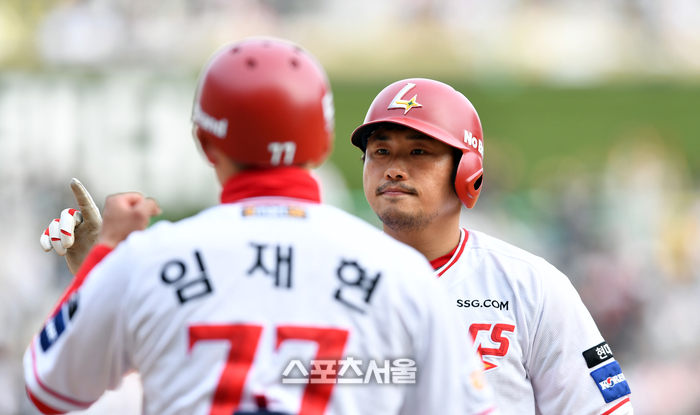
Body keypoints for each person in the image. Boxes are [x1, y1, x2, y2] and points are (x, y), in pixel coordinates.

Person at [25, 39, 498, 415]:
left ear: (205, 142)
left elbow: (46, 388)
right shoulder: (404, 273)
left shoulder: (145, 259)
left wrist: (104, 259)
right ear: (325, 142)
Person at [350, 78, 634, 415]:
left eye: (418, 152)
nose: (394, 170)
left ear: (467, 171)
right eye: (381, 152)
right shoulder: (329, 279)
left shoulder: (531, 285)